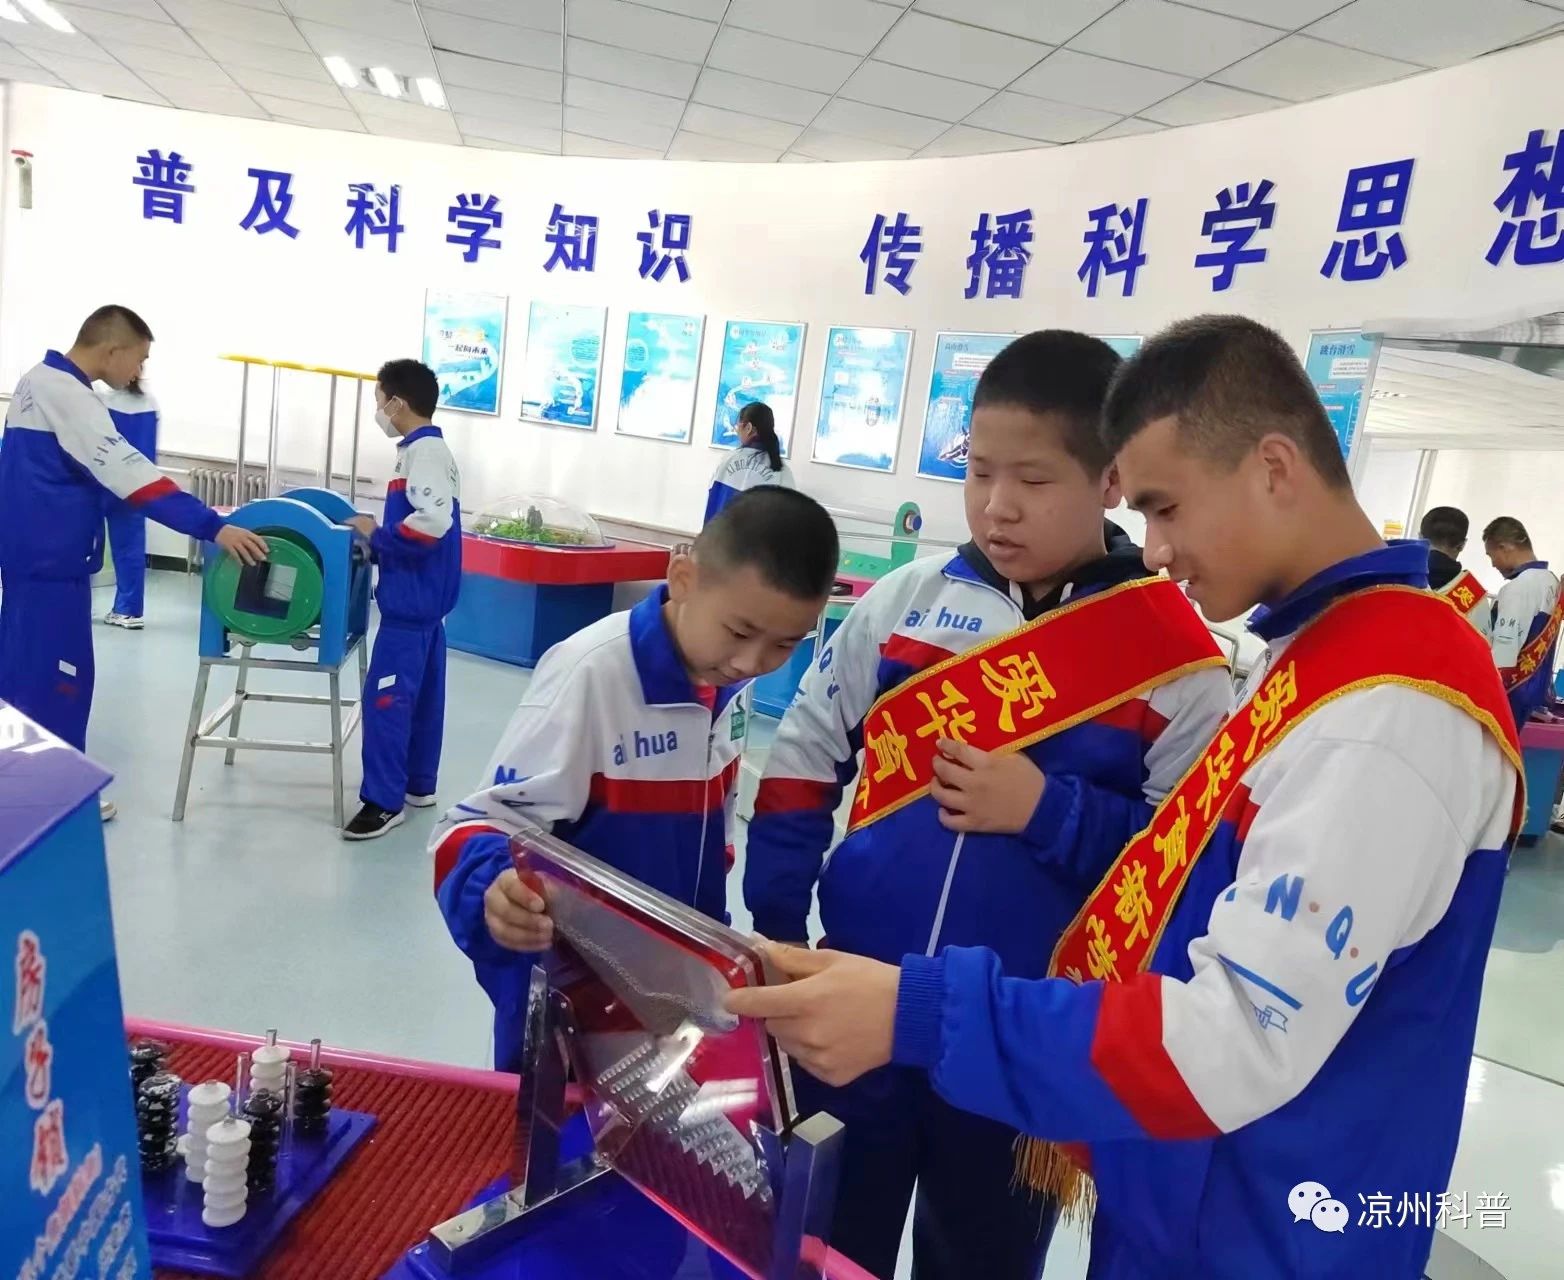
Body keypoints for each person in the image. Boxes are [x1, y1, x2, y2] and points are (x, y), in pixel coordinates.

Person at [728, 316, 1522, 1280]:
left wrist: (932, 1003)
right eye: (980, 473)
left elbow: (1235, 1030)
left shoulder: (1382, 710)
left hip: (1256, 1221)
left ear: (1272, 467)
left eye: (1165, 507)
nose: (1155, 551)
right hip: (1165, 1162)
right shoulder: (1323, 657)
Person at [742, 330, 1232, 1280]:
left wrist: (1049, 811)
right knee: (822, 1250)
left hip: (1019, 1043)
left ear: (1111, 480)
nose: (997, 505)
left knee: (984, 1262)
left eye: (1034, 480)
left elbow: (1180, 870)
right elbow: (803, 755)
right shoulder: (904, 604)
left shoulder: (1178, 667)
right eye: (978, 472)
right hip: (851, 1010)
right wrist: (778, 925)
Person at [430, 487, 839, 1069]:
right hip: (571, 1007)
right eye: (739, 631)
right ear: (683, 579)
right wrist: (494, 890)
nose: (752, 662)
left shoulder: (726, 687)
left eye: (784, 644)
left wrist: (713, 957)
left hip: (674, 1003)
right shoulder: (591, 675)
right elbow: (473, 825)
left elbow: (712, 838)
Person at [0, 305, 267, 816]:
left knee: (17, 675)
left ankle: (21, 787)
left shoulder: (35, 380)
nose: (138, 371)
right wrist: (213, 526)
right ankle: (57, 801)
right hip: (53, 566)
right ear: (112, 350)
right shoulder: (72, 397)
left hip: (26, 558)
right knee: (58, 682)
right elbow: (134, 477)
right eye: (139, 359)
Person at [342, 360, 463, 841]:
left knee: (386, 703)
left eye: (379, 401)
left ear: (397, 402)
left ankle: (382, 801)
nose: (378, 411)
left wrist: (377, 536)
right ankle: (418, 785)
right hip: (428, 606)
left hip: (410, 607)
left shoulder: (423, 452)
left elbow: (431, 523)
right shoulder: (427, 450)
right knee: (425, 701)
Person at [1483, 515, 1561, 725]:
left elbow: (1502, 656)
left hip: (1511, 696)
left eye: (1491, 555)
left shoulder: (1518, 587)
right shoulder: (1552, 582)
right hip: (1536, 696)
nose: (1493, 564)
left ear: (1504, 547)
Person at [99, 376, 160, 629]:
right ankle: (128, 611)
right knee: (130, 549)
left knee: (79, 544)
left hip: (98, 481)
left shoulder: (99, 397)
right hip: (135, 484)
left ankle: (72, 605)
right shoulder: (149, 402)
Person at [704, 401, 794, 525]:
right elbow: (790, 514)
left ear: (748, 428)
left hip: (724, 535)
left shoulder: (728, 459)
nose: (737, 431)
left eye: (738, 426)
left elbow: (713, 498)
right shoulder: (782, 471)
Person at [1420, 505, 1490, 636]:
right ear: (1462, 545)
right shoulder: (1473, 595)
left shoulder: (1397, 580)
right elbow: (1482, 645)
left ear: (1420, 537)